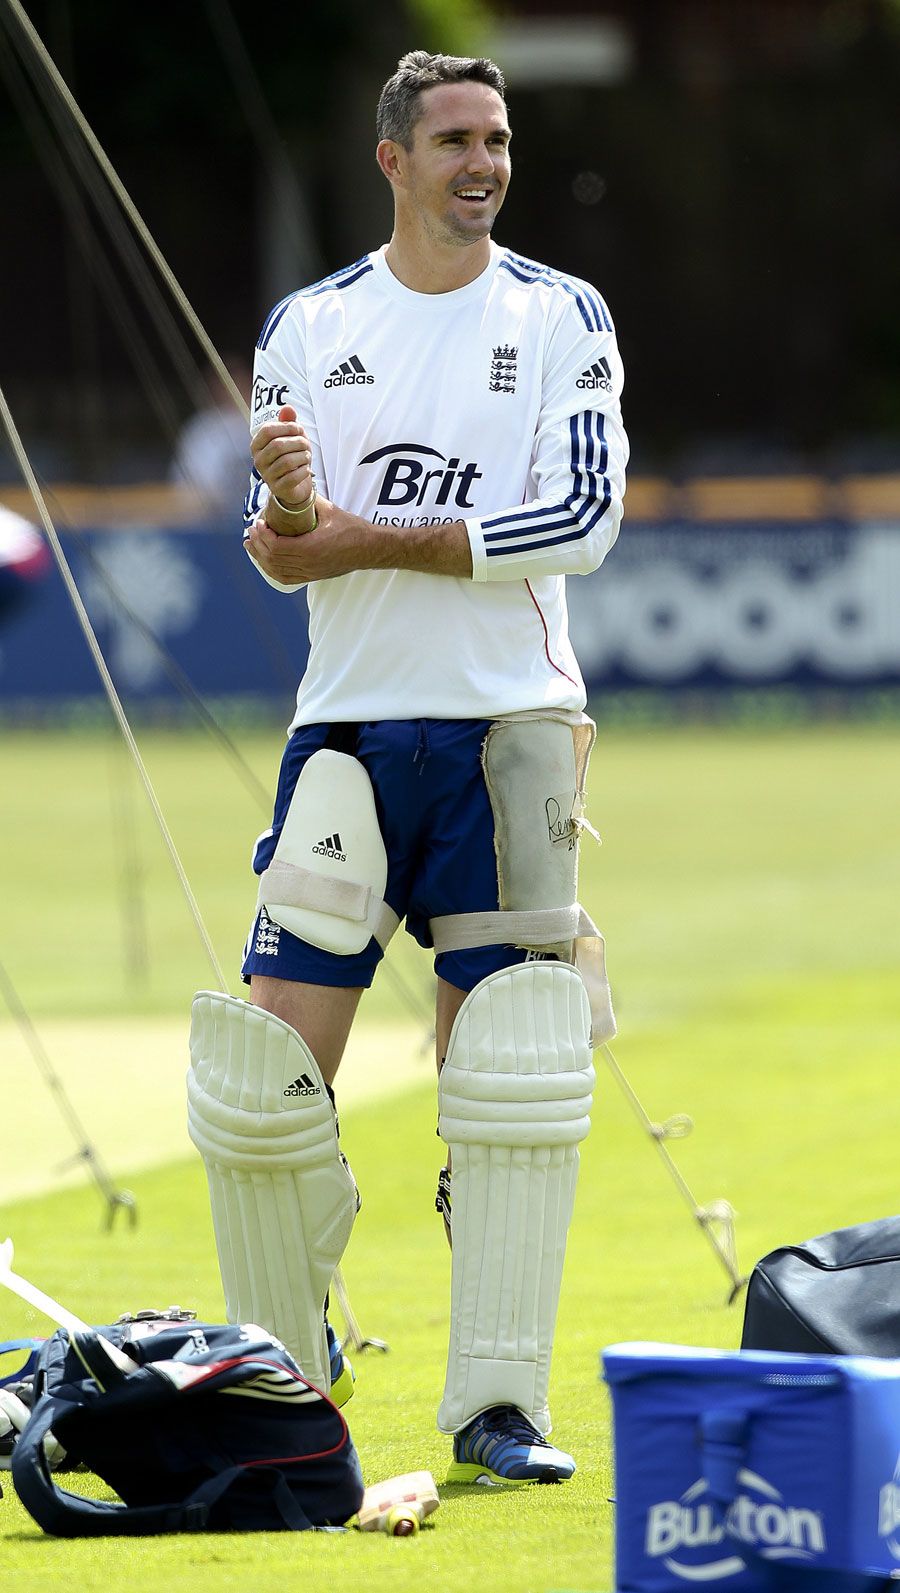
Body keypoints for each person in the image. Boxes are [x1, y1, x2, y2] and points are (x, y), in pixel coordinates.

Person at [187, 50, 628, 1486]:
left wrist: (357, 533)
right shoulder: (312, 323)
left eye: (496, 138)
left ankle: (496, 1410)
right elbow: (271, 535)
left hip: (510, 725)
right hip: (352, 722)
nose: (482, 162)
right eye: (453, 140)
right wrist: (295, 510)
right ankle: (280, 1398)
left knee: (509, 1072)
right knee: (263, 1076)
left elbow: (581, 514)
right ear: (394, 159)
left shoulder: (561, 314)